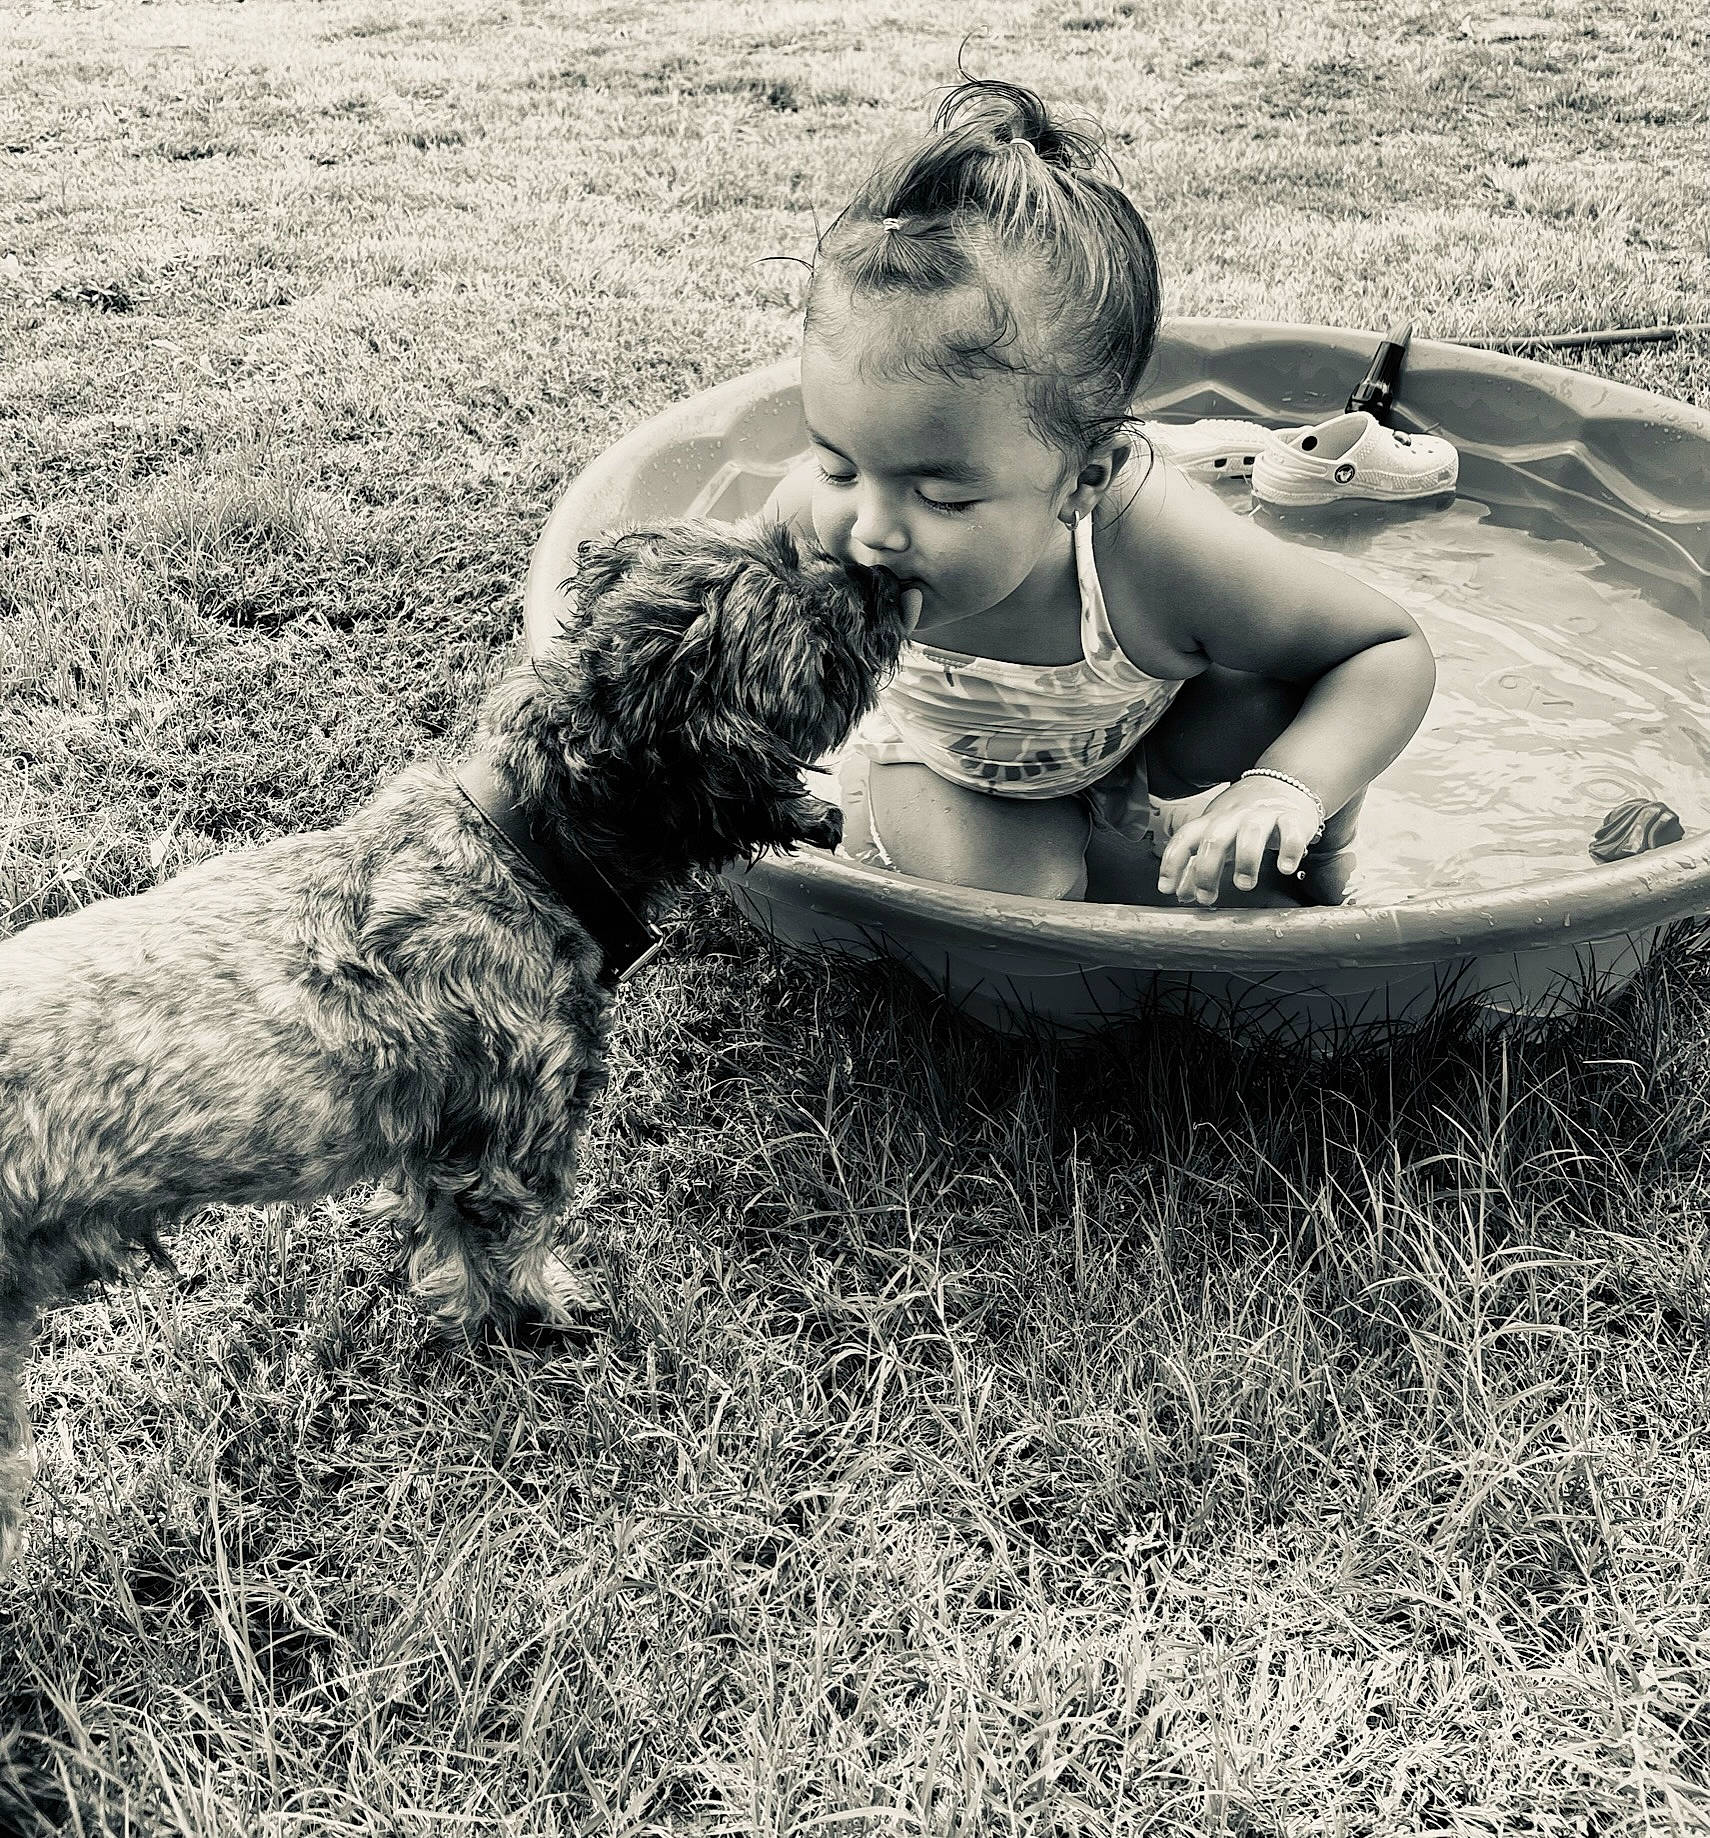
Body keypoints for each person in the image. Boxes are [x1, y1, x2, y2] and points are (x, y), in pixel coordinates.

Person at [765, 77, 1436, 908]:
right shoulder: (807, 526)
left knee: (1295, 697)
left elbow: (1384, 651)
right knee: (1020, 919)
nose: (870, 529)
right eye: (838, 466)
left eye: (941, 497)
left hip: (1151, 738)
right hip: (948, 763)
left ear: (1083, 479)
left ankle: (1324, 861)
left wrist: (1286, 787)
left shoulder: (1149, 548)